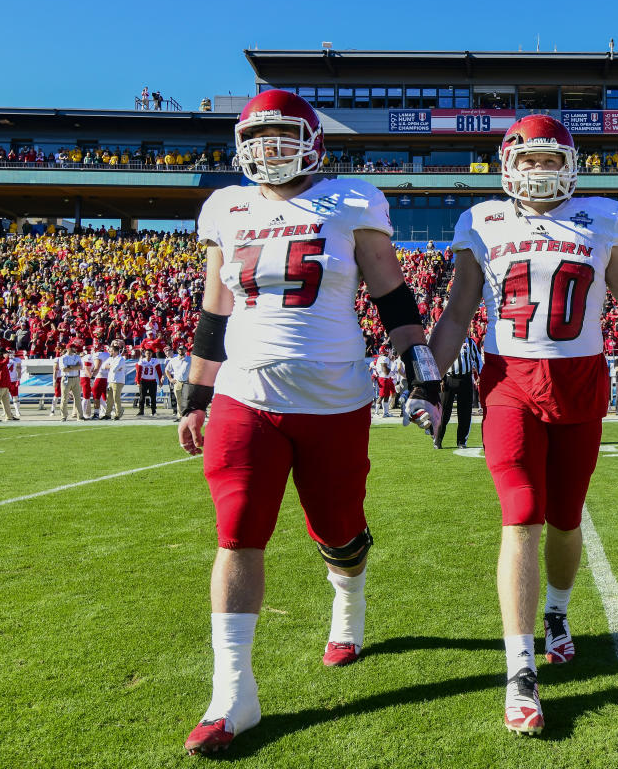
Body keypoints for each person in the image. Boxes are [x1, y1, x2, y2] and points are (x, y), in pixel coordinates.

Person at [177, 89, 440, 756]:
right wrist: (196, 396)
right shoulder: (226, 207)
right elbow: (215, 309)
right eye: (257, 138)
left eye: (281, 135)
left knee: (339, 530)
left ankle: (347, 604)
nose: (269, 149)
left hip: (333, 396)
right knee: (237, 533)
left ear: (312, 140)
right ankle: (233, 693)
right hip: (245, 392)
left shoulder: (350, 199)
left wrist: (421, 369)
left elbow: (391, 292)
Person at [428, 114, 618, 735]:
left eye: (550, 158)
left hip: (580, 379)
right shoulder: (481, 220)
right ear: (507, 165)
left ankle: (557, 612)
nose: (539, 170)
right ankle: (520, 669)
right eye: (527, 159)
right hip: (510, 382)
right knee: (522, 513)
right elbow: (456, 312)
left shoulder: (605, 216)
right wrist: (428, 378)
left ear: (572, 163)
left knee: (565, 517)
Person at [434, 332, 482, 449]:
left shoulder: (470, 342)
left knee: (465, 413)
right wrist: (440, 379)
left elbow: (477, 359)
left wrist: (480, 374)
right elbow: (439, 361)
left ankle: (461, 441)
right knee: (444, 412)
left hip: (465, 379)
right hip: (449, 380)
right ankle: (437, 440)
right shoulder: (446, 341)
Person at [57, 343, 84, 421]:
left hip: (75, 378)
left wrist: (70, 367)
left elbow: (80, 367)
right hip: (66, 378)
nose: (75, 349)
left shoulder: (77, 357)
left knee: (78, 398)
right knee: (64, 398)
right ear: (69, 348)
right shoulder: (63, 358)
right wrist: (75, 367)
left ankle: (80, 416)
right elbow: (64, 369)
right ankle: (64, 416)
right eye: (73, 348)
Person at [103, 341, 130, 420]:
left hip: (118, 381)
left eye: (110, 351)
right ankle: (107, 414)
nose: (109, 352)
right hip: (110, 380)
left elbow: (114, 369)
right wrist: (111, 366)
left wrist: (110, 366)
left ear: (115, 351)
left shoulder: (120, 359)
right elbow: (103, 366)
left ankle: (118, 413)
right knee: (109, 398)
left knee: (116, 398)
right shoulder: (110, 358)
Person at [166, 344, 191, 420]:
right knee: (179, 400)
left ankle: (187, 415)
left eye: (183, 349)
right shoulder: (173, 360)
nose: (181, 350)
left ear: (186, 351)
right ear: (177, 350)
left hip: (187, 382)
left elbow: (196, 369)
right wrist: (170, 379)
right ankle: (180, 416)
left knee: (186, 399)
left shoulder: (190, 359)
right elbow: (167, 370)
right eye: (179, 349)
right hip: (178, 382)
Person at [135, 348, 162, 416]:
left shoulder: (155, 360)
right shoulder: (142, 361)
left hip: (152, 381)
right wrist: (138, 381)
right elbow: (139, 372)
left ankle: (153, 411)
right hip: (143, 381)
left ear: (152, 354)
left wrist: (160, 381)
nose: (148, 355)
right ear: (145, 354)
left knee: (153, 397)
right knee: (142, 397)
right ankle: (141, 411)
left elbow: (159, 372)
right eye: (147, 353)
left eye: (149, 353)